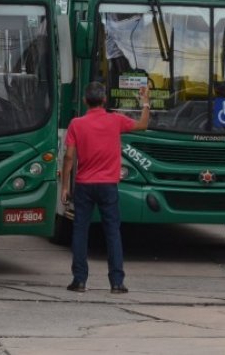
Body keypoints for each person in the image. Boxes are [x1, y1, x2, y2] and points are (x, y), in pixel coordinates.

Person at [62, 82, 151, 294]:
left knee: (80, 231)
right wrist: (146, 101)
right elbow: (142, 125)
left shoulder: (76, 124)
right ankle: (117, 283)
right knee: (112, 232)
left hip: (84, 185)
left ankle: (80, 280)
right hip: (109, 186)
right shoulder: (116, 120)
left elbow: (69, 157)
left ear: (85, 101)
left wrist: (65, 185)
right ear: (104, 100)